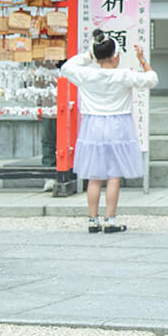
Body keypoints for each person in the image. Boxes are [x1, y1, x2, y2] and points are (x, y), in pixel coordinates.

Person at [60, 31, 157, 234]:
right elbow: (151, 79)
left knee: (94, 176)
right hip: (118, 125)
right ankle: (110, 219)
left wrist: (89, 55)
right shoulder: (123, 75)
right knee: (114, 175)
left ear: (96, 57)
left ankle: (93, 220)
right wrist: (142, 60)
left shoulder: (87, 75)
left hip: (92, 125)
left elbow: (66, 67)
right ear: (116, 56)